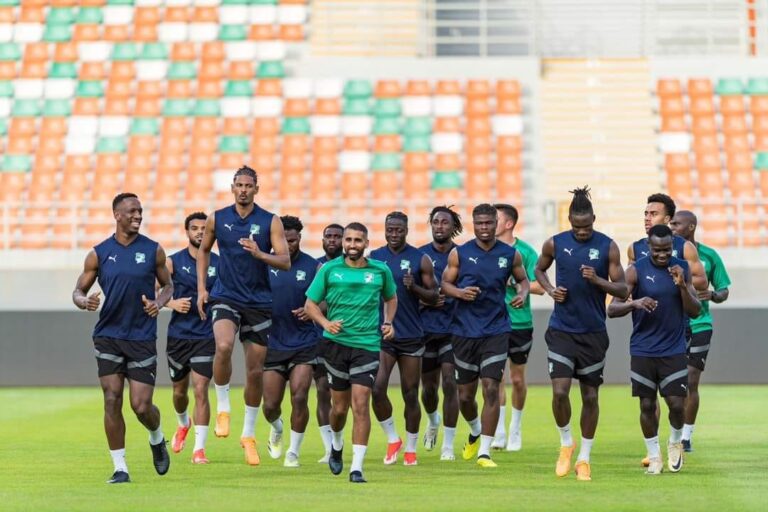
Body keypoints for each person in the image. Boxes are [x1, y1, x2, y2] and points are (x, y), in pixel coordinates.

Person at [72, 193, 173, 484]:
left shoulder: (153, 250)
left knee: (141, 406)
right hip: (108, 336)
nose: (138, 216)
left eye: (140, 211)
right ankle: (120, 468)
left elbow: (168, 285)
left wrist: (159, 301)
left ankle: (156, 436)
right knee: (112, 399)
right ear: (117, 215)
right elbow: (78, 290)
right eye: (132, 211)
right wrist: (83, 301)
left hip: (141, 336)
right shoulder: (99, 253)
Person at [195, 166, 290, 466]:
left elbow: (285, 260)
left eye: (249, 185)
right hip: (225, 295)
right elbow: (203, 251)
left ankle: (248, 435)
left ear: (256, 189)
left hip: (259, 301)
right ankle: (223, 405)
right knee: (222, 346)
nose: (244, 189)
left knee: (254, 371)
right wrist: (201, 289)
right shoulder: (218, 218)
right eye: (239, 185)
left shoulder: (269, 220)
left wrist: (260, 254)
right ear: (232, 188)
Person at [534, 187, 629, 481]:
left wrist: (598, 279)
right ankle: (566, 443)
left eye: (586, 226)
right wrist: (550, 290)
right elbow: (539, 270)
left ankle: (584, 458)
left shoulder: (607, 246)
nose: (582, 231)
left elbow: (623, 289)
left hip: (593, 333)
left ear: (594, 220)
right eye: (577, 226)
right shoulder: (555, 243)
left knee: (590, 396)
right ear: (569, 221)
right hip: (562, 329)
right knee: (560, 391)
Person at [304, 222, 398, 483]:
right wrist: (325, 323)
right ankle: (336, 444)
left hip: (367, 346)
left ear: (367, 243)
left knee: (360, 404)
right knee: (339, 408)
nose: (352, 245)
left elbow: (391, 298)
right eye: (349, 240)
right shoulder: (329, 269)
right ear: (343, 242)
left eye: (358, 240)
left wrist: (388, 322)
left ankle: (356, 468)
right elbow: (310, 304)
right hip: (335, 346)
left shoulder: (381, 270)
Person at [440, 204, 530, 468]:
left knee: (491, 387)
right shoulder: (461, 253)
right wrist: (459, 293)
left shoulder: (510, 255)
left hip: (496, 330)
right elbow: (444, 284)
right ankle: (475, 429)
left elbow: (523, 280)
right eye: (479, 223)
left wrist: (522, 294)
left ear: (495, 223)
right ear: (473, 223)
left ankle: (485, 451)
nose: (484, 228)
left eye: (488, 223)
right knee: (465, 396)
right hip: (464, 331)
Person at [608, 224, 701, 475]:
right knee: (647, 405)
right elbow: (612, 309)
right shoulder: (635, 271)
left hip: (673, 348)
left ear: (673, 246)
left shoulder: (681, 268)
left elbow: (695, 310)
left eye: (667, 249)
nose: (662, 254)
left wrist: (682, 286)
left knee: (676, 404)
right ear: (648, 247)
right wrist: (635, 303)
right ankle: (653, 455)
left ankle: (674, 442)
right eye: (658, 250)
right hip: (643, 350)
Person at [370, 212, 438, 466]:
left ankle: (411, 448)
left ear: (406, 230)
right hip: (383, 334)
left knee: (411, 393)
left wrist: (415, 288)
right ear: (385, 229)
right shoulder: (375, 259)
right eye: (390, 229)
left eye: (399, 230)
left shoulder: (420, 259)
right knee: (377, 388)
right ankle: (392, 438)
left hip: (411, 335)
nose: (394, 234)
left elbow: (434, 296)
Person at [670, 210, 731, 452]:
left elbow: (724, 289)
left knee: (691, 380)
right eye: (671, 222)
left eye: (677, 223)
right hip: (673, 325)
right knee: (674, 384)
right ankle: (673, 432)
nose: (672, 226)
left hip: (700, 323)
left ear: (691, 227)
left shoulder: (709, 255)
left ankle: (686, 437)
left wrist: (714, 295)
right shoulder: (668, 253)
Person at [262, 216, 320, 467]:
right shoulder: (263, 263)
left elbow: (327, 300)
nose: (288, 244)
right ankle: (276, 428)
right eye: (283, 239)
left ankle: (293, 452)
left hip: (304, 342)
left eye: (293, 239)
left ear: (300, 239)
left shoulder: (314, 267)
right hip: (272, 342)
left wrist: (314, 310)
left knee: (299, 397)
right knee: (270, 405)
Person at [164, 212, 219, 464]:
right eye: (194, 228)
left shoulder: (219, 263)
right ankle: (183, 422)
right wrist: (173, 303)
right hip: (178, 336)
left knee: (201, 389)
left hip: (205, 335)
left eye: (203, 228)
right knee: (179, 392)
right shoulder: (172, 262)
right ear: (186, 232)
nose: (199, 232)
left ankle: (199, 449)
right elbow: (155, 292)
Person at [491, 204, 545, 451]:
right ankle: (500, 430)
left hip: (520, 323)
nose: (491, 223)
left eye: (496, 218)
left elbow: (540, 286)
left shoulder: (525, 252)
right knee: (496, 378)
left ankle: (516, 428)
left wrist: (515, 283)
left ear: (509, 223)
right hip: (493, 323)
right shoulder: (487, 250)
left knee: (517, 379)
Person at [420, 206, 462, 461]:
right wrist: (424, 301)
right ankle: (433, 419)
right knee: (428, 390)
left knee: (450, 383)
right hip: (424, 330)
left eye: (444, 222)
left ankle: (448, 444)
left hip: (453, 329)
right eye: (435, 222)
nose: (439, 226)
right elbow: (408, 292)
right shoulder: (420, 255)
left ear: (453, 226)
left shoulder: (464, 254)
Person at [628, 193, 707, 291]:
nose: (647, 218)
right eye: (646, 214)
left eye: (654, 214)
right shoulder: (635, 248)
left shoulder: (685, 247)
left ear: (667, 219)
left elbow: (702, 281)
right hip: (644, 306)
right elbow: (628, 283)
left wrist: (668, 280)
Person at [315, 223, 344, 462]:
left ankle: (348, 442)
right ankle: (330, 447)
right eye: (329, 236)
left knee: (355, 397)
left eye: (338, 236)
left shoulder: (359, 268)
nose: (333, 240)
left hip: (351, 338)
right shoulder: (316, 266)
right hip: (318, 339)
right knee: (323, 391)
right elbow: (311, 299)